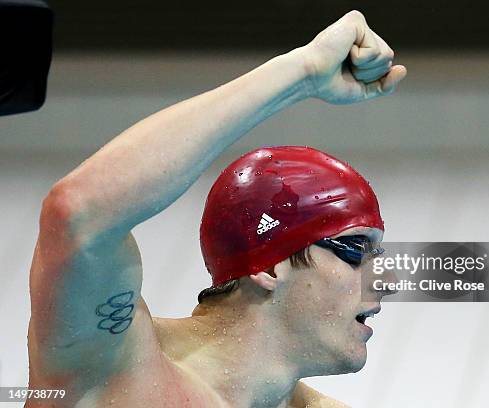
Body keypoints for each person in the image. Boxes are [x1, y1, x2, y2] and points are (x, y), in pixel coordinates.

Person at [27, 10, 406, 407]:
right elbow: (79, 212)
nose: (384, 281)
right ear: (269, 265)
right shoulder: (111, 368)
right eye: (355, 251)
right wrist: (301, 73)